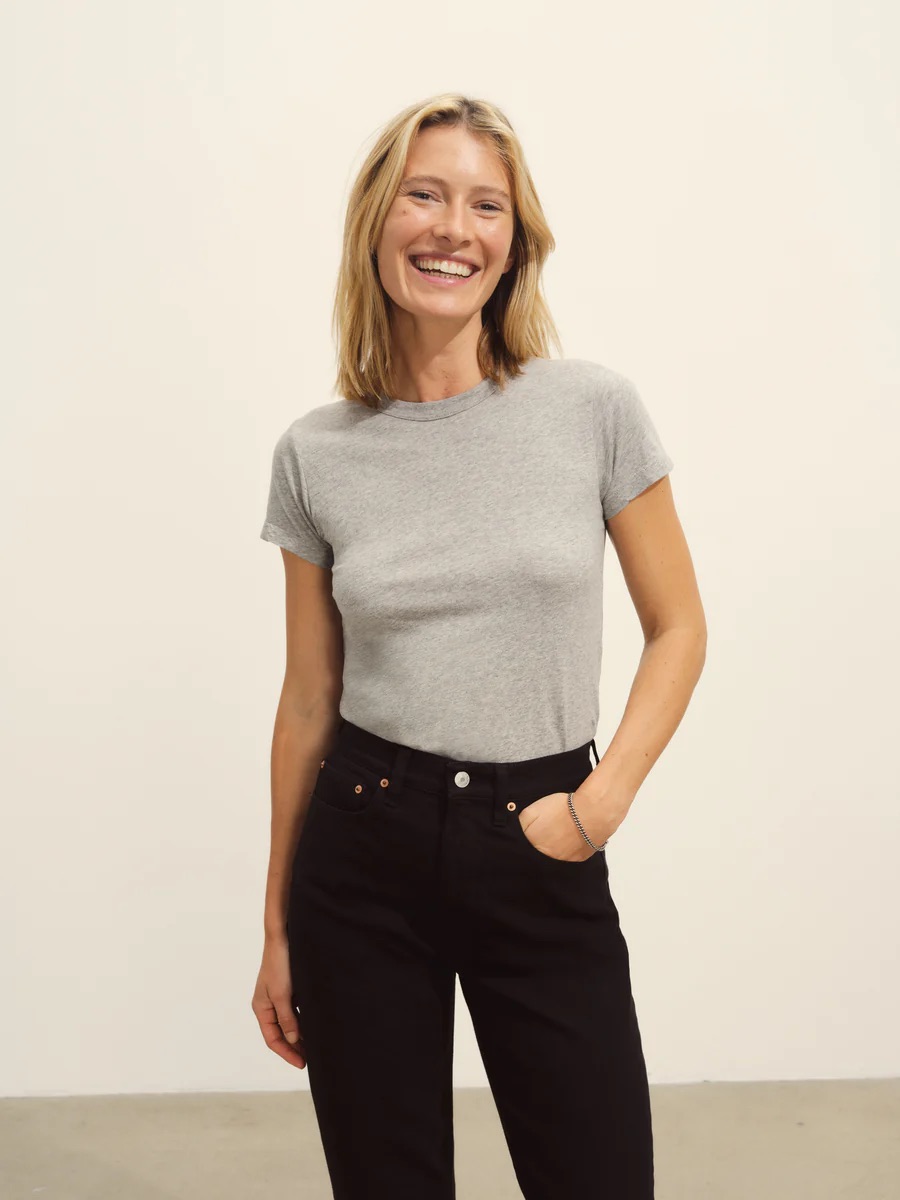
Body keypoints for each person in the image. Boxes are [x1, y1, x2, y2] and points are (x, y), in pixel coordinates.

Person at [252, 92, 707, 1200]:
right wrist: (274, 928)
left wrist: (597, 807)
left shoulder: (591, 409)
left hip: (543, 833)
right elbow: (309, 698)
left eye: (485, 205)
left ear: (515, 240)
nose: (453, 228)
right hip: (362, 851)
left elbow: (679, 628)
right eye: (425, 195)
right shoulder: (316, 453)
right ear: (377, 220)